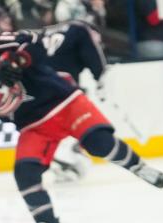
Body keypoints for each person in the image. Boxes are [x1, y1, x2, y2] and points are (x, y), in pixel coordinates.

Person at [0, 26, 163, 223]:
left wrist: (18, 59)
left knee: (99, 144)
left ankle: (137, 166)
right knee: (25, 173)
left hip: (64, 101)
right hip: (34, 125)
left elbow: (37, 40)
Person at [40, 20, 107, 182]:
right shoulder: (81, 29)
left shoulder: (45, 31)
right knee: (77, 113)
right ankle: (64, 152)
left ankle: (59, 153)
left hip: (36, 84)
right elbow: (96, 62)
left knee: (51, 121)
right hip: (61, 86)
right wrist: (101, 79)